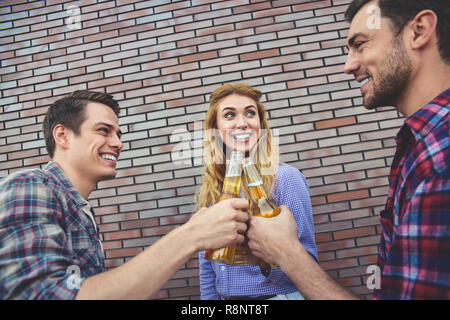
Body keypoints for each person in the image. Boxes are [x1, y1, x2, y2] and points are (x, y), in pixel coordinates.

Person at [247, 0, 450, 300]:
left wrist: (287, 253)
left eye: (360, 44)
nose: (348, 65)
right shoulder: (416, 144)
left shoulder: (440, 157)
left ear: (418, 31)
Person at [0, 90, 250, 300]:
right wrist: (191, 236)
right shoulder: (29, 185)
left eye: (118, 134)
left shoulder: (79, 209)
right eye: (104, 131)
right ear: (63, 135)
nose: (118, 143)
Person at [195, 83, 318, 300]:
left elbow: (307, 261)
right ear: (215, 127)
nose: (242, 123)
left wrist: (264, 262)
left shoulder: (285, 178)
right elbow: (207, 265)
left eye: (250, 113)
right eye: (230, 115)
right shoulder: (213, 188)